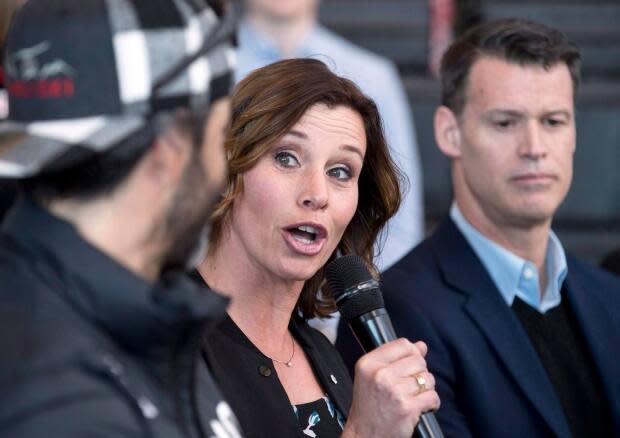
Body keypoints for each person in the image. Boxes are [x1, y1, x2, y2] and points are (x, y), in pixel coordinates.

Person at [336, 18, 620, 438]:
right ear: (449, 132)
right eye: (505, 123)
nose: (535, 148)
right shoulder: (398, 315)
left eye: (554, 122)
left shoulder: (610, 296)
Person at [0, 0, 242, 436]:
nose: (223, 172)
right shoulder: (62, 406)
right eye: (221, 136)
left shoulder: (142, 317)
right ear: (169, 151)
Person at [195, 58, 440, 438]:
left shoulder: (323, 354)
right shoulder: (162, 345)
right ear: (227, 170)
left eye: (340, 171)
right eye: (287, 158)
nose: (317, 194)